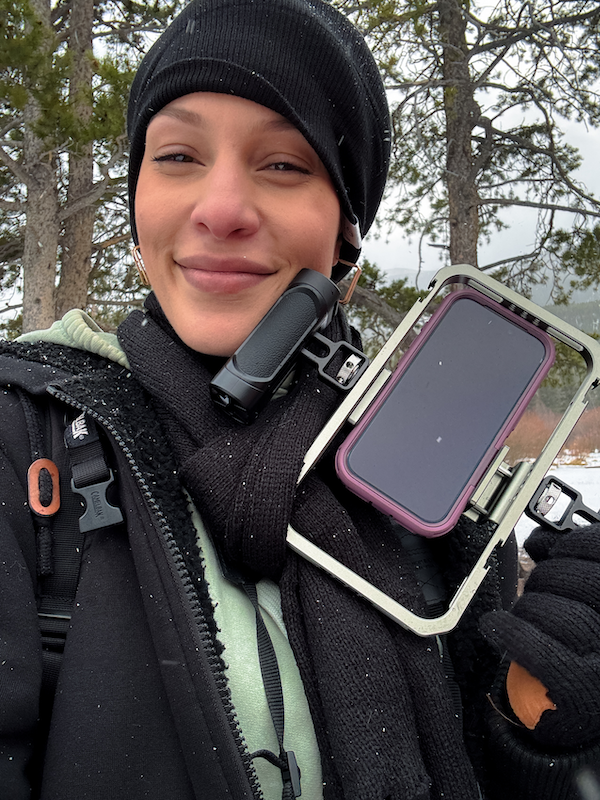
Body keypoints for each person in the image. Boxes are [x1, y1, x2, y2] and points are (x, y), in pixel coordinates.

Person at [1, 1, 600, 798]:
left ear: (347, 230)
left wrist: (546, 742)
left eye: (283, 165)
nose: (219, 209)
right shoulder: (26, 436)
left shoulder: (424, 464)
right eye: (178, 154)